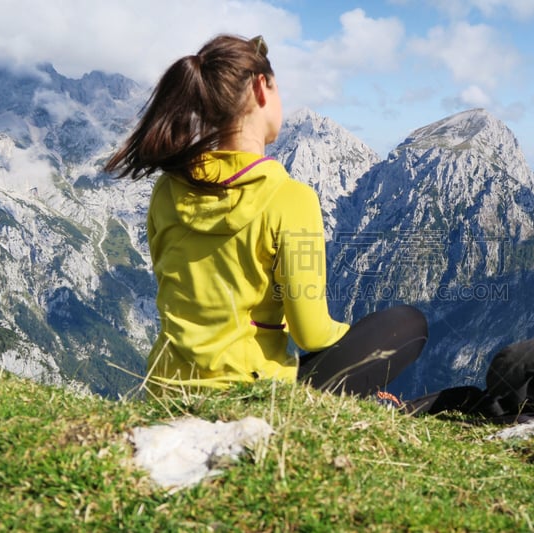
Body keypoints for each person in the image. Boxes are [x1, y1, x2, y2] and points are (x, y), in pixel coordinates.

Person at [104, 34, 427, 398]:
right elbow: (312, 334)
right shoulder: (291, 199)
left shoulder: (166, 190)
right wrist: (352, 336)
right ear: (261, 88)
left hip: (166, 390)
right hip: (249, 395)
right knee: (407, 324)